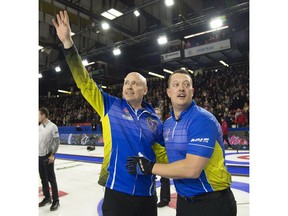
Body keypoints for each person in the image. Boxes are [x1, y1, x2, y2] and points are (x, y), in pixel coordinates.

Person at [52, 10, 168, 216]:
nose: (129, 86)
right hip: (117, 193)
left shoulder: (155, 121)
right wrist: (68, 45)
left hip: (148, 195)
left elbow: (165, 155)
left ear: (146, 90)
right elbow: (84, 82)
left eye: (135, 83)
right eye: (126, 82)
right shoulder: (110, 106)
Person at [126, 69, 237, 216]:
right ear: (168, 92)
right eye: (176, 84)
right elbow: (169, 158)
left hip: (213, 203)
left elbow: (192, 170)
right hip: (184, 203)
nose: (181, 88)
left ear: (192, 91)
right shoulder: (168, 124)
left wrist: (148, 167)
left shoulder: (202, 119)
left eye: (186, 84)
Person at [39, 107, 60, 211]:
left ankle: (56, 201)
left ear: (43, 115)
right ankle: (47, 198)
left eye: (38, 115)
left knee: (51, 179)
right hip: (39, 156)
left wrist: (53, 155)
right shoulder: (39, 127)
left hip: (48, 156)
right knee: (43, 179)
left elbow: (57, 142)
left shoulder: (53, 127)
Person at [154, 107, 171, 208]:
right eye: (155, 113)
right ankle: (152, 197)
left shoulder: (165, 127)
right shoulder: (148, 126)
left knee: (165, 179)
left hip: (163, 155)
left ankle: (165, 199)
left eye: (159, 113)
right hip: (152, 155)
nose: (157, 115)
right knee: (150, 178)